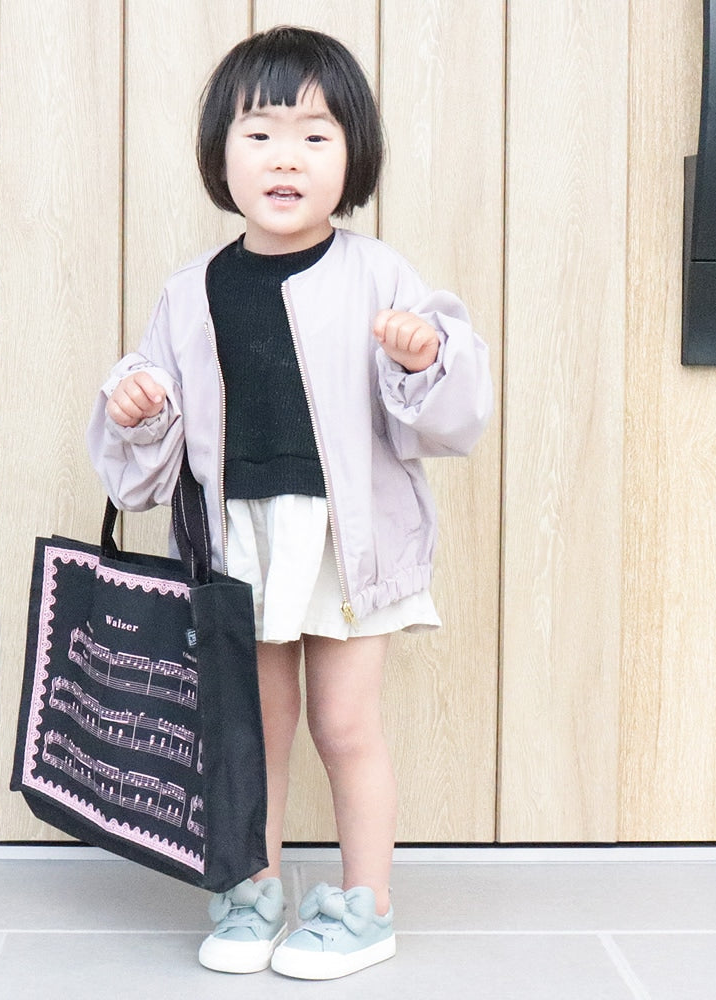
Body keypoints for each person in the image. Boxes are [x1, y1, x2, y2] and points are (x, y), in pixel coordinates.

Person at [87, 25, 492, 981]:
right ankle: (252, 888)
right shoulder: (192, 291)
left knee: (345, 726)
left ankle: (366, 906)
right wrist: (140, 408)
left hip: (347, 542)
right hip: (241, 543)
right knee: (252, 732)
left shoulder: (379, 273)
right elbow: (146, 456)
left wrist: (424, 358)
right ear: (219, 155)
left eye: (315, 136)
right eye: (261, 133)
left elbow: (450, 416)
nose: (285, 158)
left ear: (353, 157)